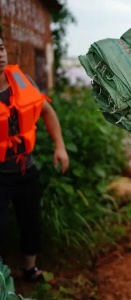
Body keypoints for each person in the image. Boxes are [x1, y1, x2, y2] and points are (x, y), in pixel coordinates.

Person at [0, 32, 69, 282]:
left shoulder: (23, 81)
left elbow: (47, 112)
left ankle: (29, 269)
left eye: (1, 49)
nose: (0, 55)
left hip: (25, 170)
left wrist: (59, 146)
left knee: (31, 222)